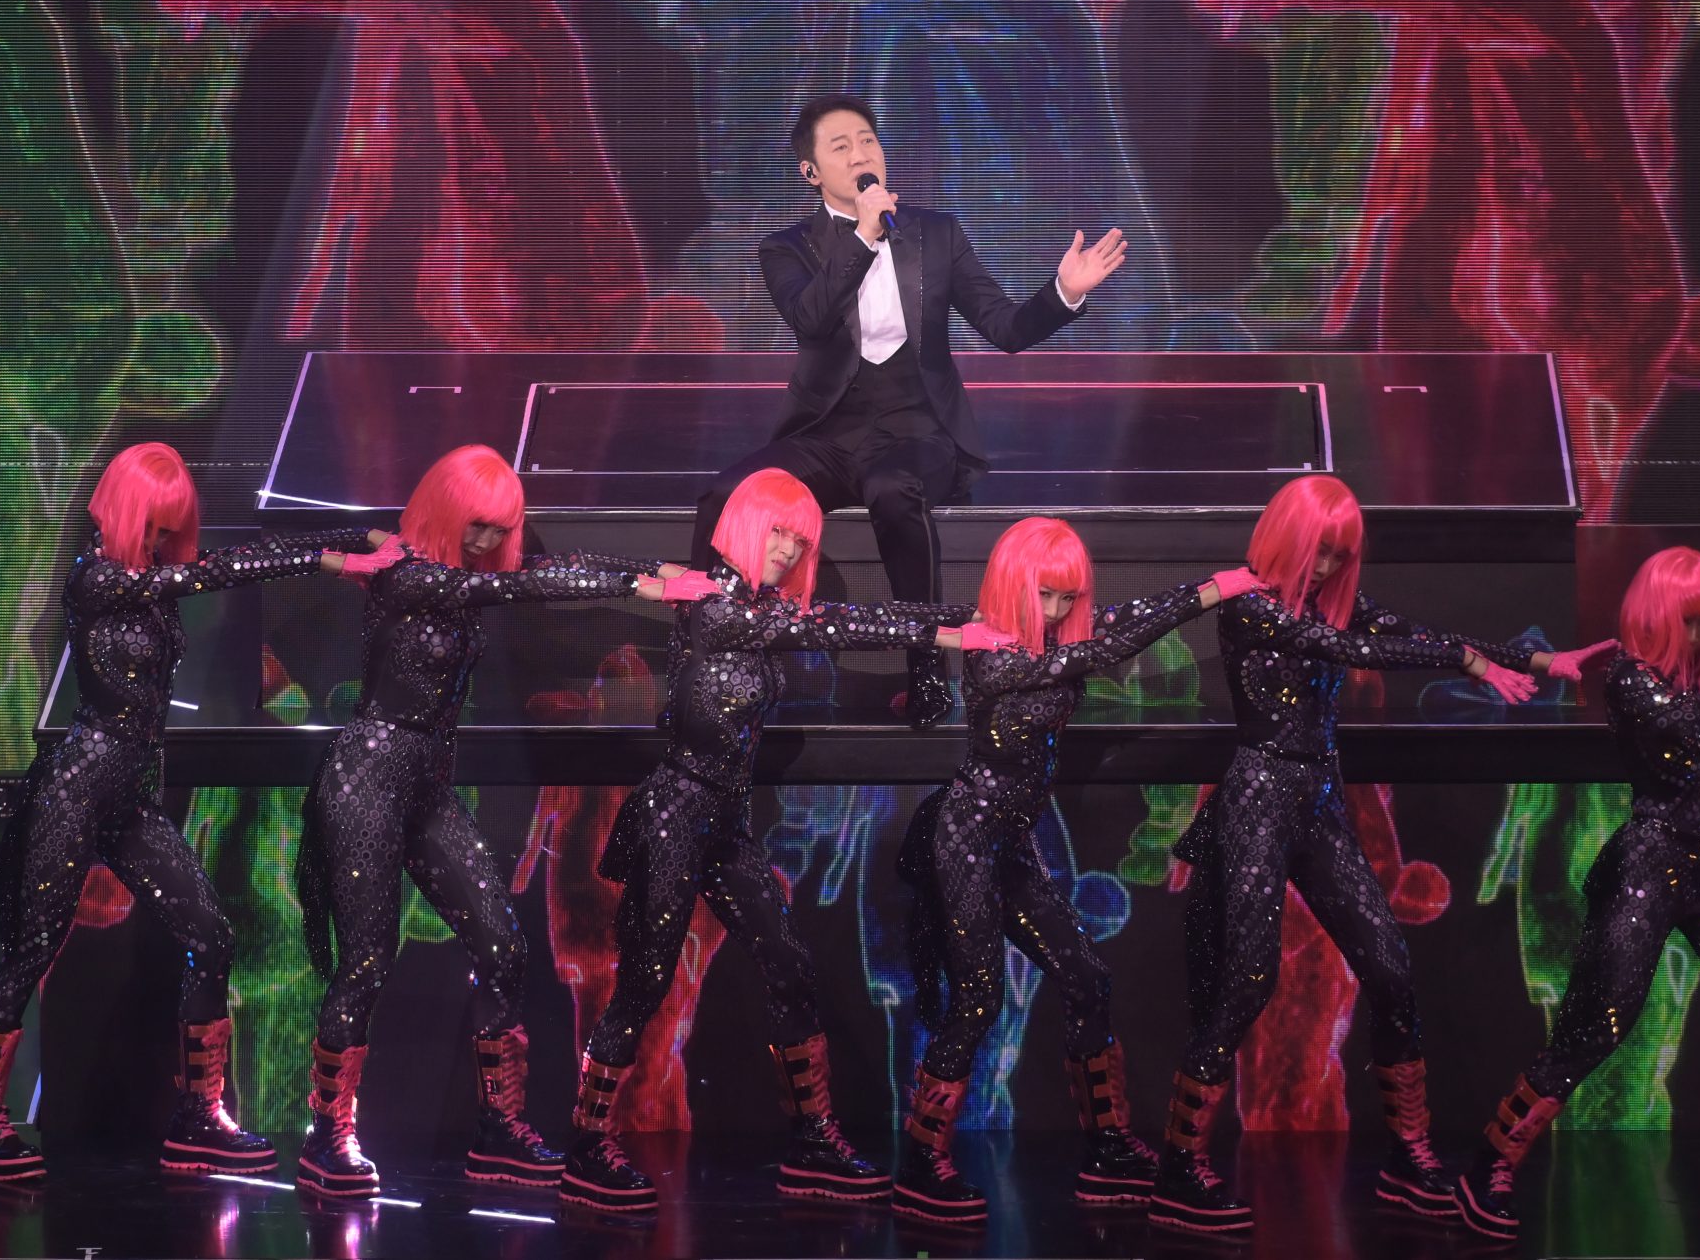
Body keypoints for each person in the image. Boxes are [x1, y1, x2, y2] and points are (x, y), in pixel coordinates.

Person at [1151, 475, 1574, 1236]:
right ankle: (1180, 1164)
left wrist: (1538, 663)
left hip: (1319, 802)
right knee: (1247, 981)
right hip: (1257, 799)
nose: (1324, 569)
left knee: (1390, 969)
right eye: (1318, 553)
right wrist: (1467, 664)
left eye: (1338, 557)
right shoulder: (1250, 604)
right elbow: (1349, 648)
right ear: (1288, 540)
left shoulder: (1330, 604)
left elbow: (1411, 630)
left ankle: (1408, 1156)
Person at [292, 445, 711, 1198]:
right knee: (366, 961)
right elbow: (527, 583)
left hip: (426, 788)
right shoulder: (407, 573)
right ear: (445, 511)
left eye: (499, 530)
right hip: (366, 779)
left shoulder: (460, 578)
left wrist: (651, 575)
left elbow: (542, 573)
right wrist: (640, 583)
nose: (487, 542)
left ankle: (499, 1129)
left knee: (503, 945)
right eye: (476, 526)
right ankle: (330, 1135)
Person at [0, 443, 372, 1185]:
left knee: (211, 934)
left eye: (168, 527)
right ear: (123, 510)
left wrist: (350, 538)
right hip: (77, 789)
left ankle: (198, 1118)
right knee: (30, 952)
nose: (158, 539)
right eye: (151, 523)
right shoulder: (95, 577)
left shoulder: (152, 578)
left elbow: (227, 564)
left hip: (129, 800)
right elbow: (210, 574)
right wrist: (326, 557)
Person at [559, 467, 967, 1215]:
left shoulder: (756, 607)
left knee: (789, 964)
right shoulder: (712, 606)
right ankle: (587, 1146)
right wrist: (945, 629)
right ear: (745, 527)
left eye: (799, 540)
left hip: (724, 823)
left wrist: (960, 624)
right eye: (776, 532)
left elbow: (827, 623)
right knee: (646, 982)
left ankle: (812, 1142)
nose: (786, 550)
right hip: (676, 815)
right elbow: (835, 627)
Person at [1454, 545, 1700, 1243]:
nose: (1698, 637)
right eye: (1688, 622)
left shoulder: (1699, 673)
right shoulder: (1630, 680)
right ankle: (1489, 1164)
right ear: (1655, 617)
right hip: (1649, 867)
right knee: (1593, 1028)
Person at [691, 94, 1127, 724]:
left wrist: (1064, 293)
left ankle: (924, 670)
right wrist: (864, 237)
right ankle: (697, 660)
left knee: (893, 488)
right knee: (725, 495)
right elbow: (810, 319)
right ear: (810, 172)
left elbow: (1003, 327)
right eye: (841, 147)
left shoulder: (936, 234)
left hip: (916, 431)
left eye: (868, 141)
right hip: (826, 435)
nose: (860, 155)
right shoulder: (785, 248)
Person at [893, 517, 1252, 1226]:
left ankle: (1107, 1148)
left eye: (1069, 598)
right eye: (1046, 595)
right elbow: (1109, 644)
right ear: (1015, 584)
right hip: (966, 838)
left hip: (1012, 846)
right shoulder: (990, 648)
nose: (1058, 612)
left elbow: (1135, 616)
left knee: (1087, 977)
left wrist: (1213, 587)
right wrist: (1212, 592)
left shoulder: (1063, 641)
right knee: (978, 999)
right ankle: (920, 1162)